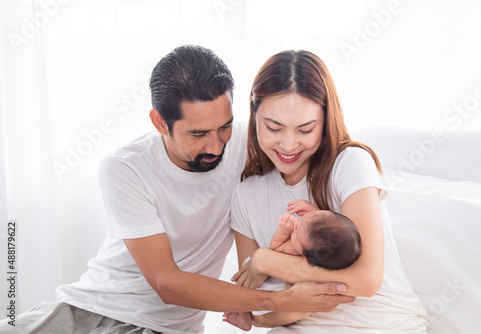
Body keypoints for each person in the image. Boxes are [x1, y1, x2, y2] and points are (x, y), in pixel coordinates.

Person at [0, 46, 354, 334]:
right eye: (198, 134)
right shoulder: (124, 168)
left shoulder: (253, 144)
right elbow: (166, 282)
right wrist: (277, 303)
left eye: (225, 127)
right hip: (85, 307)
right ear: (159, 123)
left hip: (162, 327)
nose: (217, 146)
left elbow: (312, 144)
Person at [229, 50, 428, 333]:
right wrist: (281, 302)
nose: (288, 145)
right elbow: (252, 305)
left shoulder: (350, 164)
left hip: (380, 323)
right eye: (273, 128)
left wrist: (266, 260)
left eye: (305, 129)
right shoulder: (246, 196)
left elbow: (367, 280)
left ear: (325, 121)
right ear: (254, 118)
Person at [223, 200, 362, 331]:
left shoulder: (294, 249)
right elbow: (324, 227)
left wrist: (283, 231)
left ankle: (244, 318)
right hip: (287, 291)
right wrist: (313, 212)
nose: (296, 223)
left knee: (245, 286)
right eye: (304, 219)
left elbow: (275, 248)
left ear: (306, 259)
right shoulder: (321, 246)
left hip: (272, 290)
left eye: (296, 232)